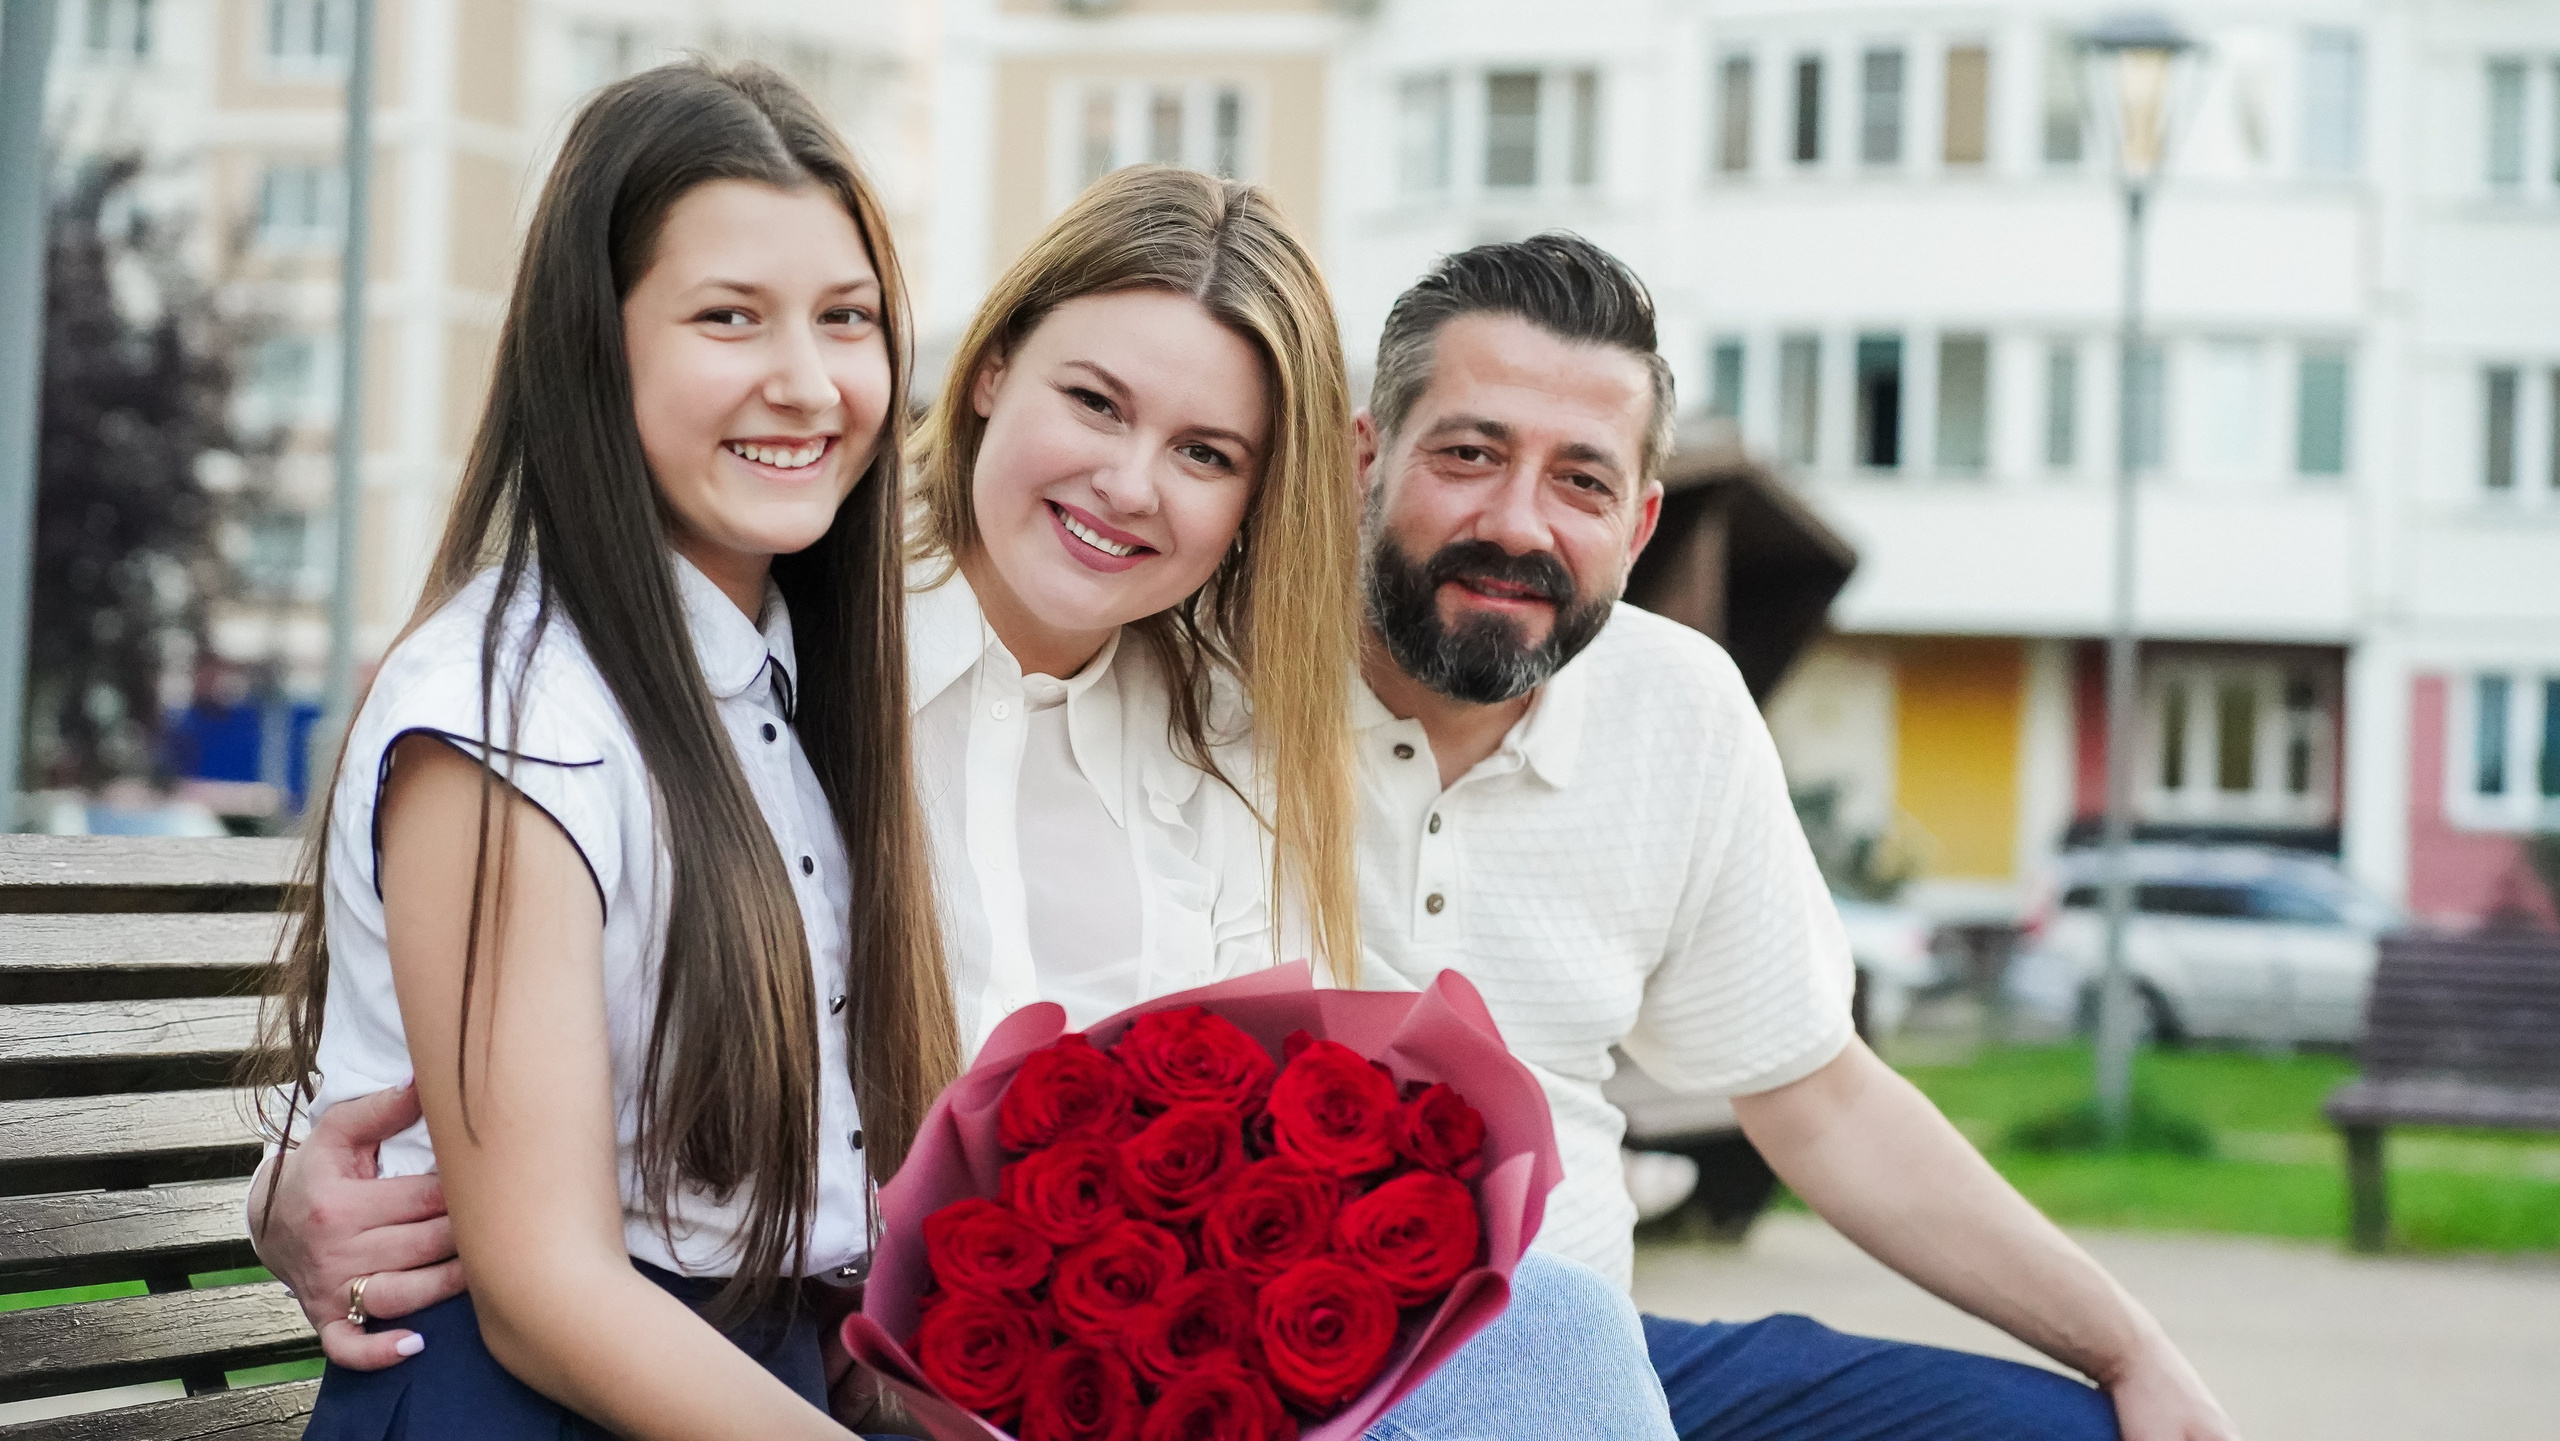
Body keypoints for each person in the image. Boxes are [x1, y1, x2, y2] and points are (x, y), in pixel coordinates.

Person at [251, 164, 1678, 1438]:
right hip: (803, 1368)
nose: (1129, 484)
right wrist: (283, 1195)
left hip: (1085, 1377)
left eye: (1206, 453)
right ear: (990, 369)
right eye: (1094, 403)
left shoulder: (1233, 729)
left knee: (1554, 1327)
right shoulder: (797, 652)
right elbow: (510, 1054)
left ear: (1262, 494)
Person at [1344, 233, 2238, 1440]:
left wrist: (2131, 1349)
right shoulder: (1211, 682)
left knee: (2070, 1433)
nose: (1517, 523)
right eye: (1469, 454)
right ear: (1366, 457)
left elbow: (1818, 1098)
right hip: (1286, 1363)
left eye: (1581, 482)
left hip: (1587, 1358)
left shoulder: (1678, 707)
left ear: (1638, 525)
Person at [242, 63, 948, 1438]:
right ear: (593, 347)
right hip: (533, 1397)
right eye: (729, 316)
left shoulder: (782, 692)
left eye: (845, 318)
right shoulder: (508, 711)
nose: (806, 382)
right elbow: (547, 1290)